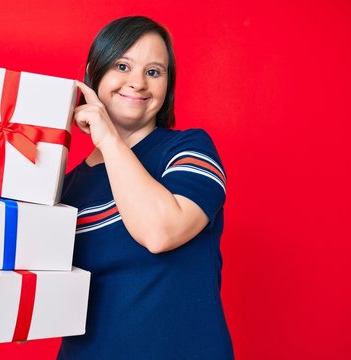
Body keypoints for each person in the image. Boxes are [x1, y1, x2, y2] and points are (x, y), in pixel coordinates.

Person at [58, 16, 233, 359]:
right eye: (123, 66)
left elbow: (160, 233)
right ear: (95, 73)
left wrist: (107, 138)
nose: (137, 83)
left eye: (154, 72)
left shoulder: (189, 149)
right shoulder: (65, 188)